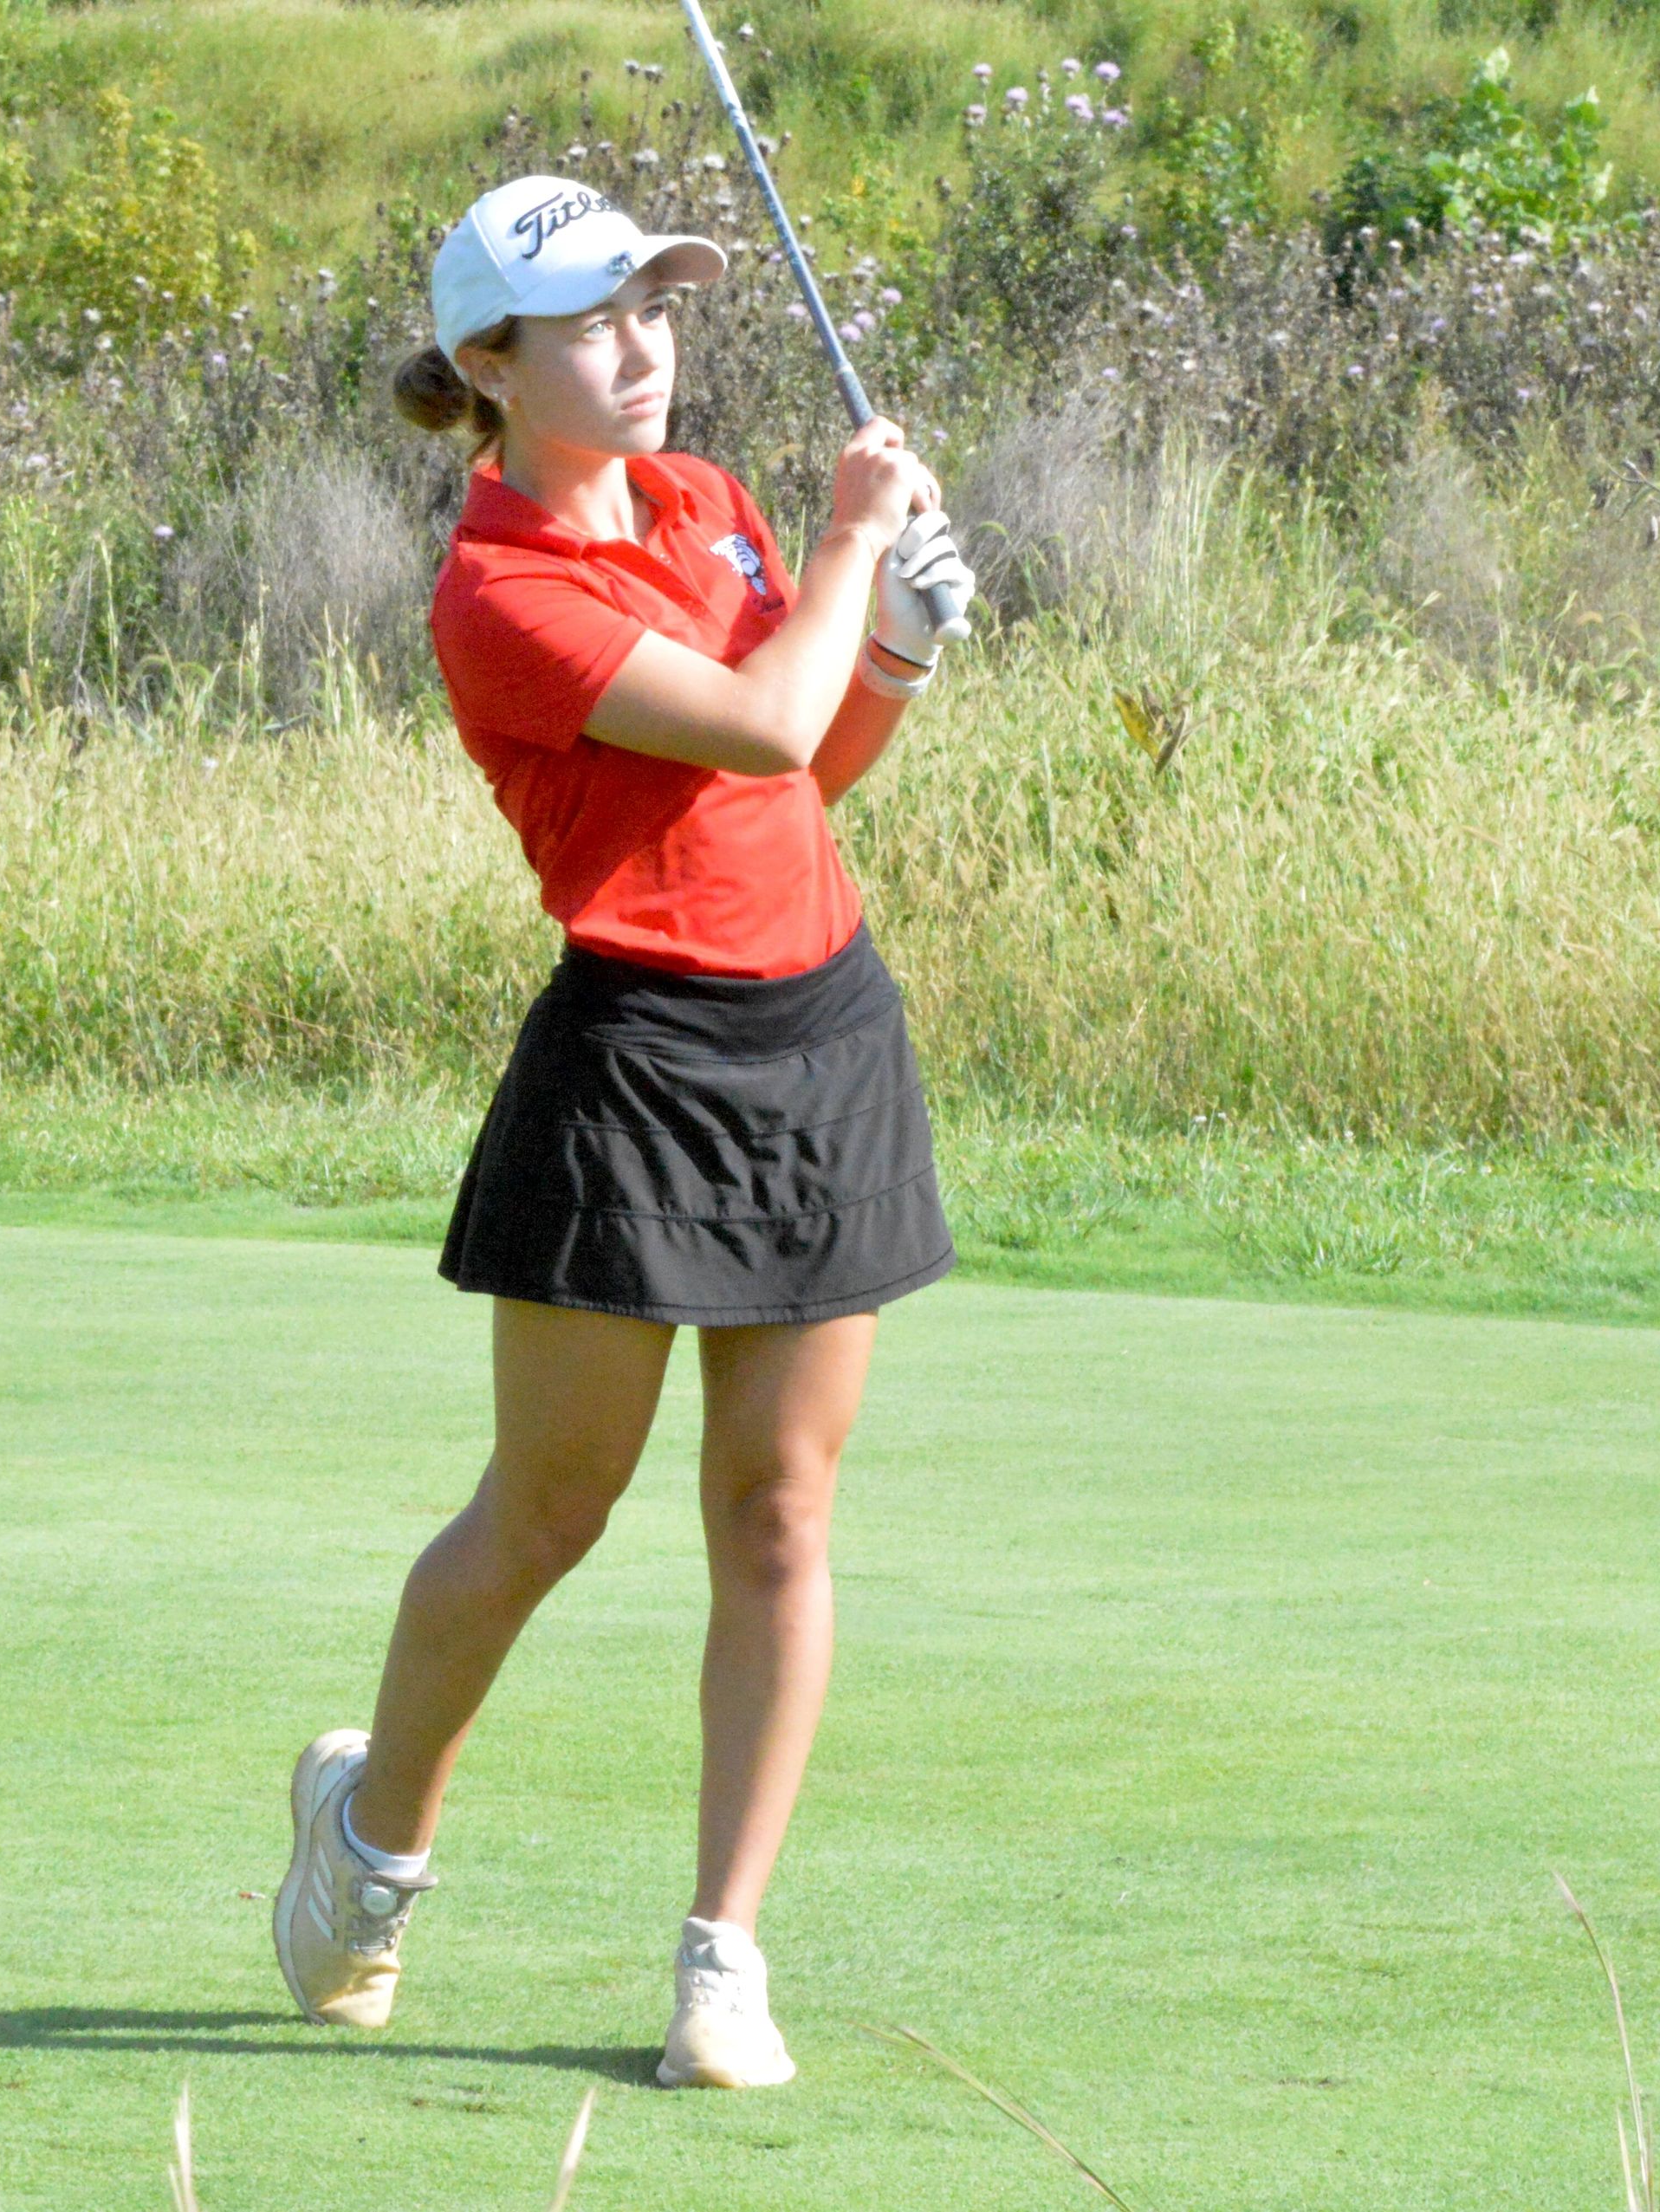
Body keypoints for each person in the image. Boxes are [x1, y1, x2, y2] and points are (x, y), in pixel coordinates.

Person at [271, 175, 976, 2092]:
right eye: (590, 322)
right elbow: (752, 718)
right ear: (487, 367)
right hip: (640, 1063)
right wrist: (852, 548)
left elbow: (810, 772)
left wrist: (894, 638)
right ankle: (372, 1836)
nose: (643, 347)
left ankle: (722, 1958)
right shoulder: (498, 591)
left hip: (820, 1031)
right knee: (548, 1513)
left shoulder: (710, 503)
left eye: (657, 306)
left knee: (778, 1510)